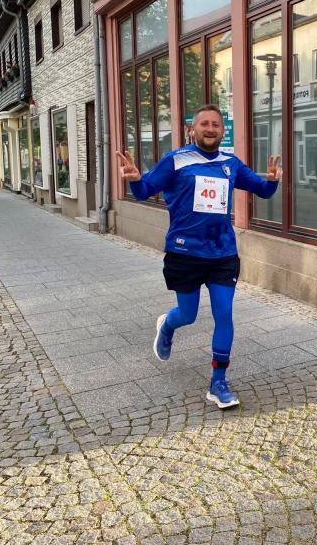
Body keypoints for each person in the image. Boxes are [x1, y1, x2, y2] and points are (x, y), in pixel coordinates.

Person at [116, 103, 282, 409]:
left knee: (224, 314)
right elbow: (143, 191)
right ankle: (167, 325)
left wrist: (272, 180)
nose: (210, 129)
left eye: (215, 124)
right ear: (192, 129)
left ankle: (218, 383)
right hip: (185, 252)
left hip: (222, 253)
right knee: (188, 314)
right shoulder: (176, 160)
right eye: (204, 124)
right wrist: (135, 178)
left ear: (222, 130)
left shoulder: (230, 163)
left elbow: (263, 190)